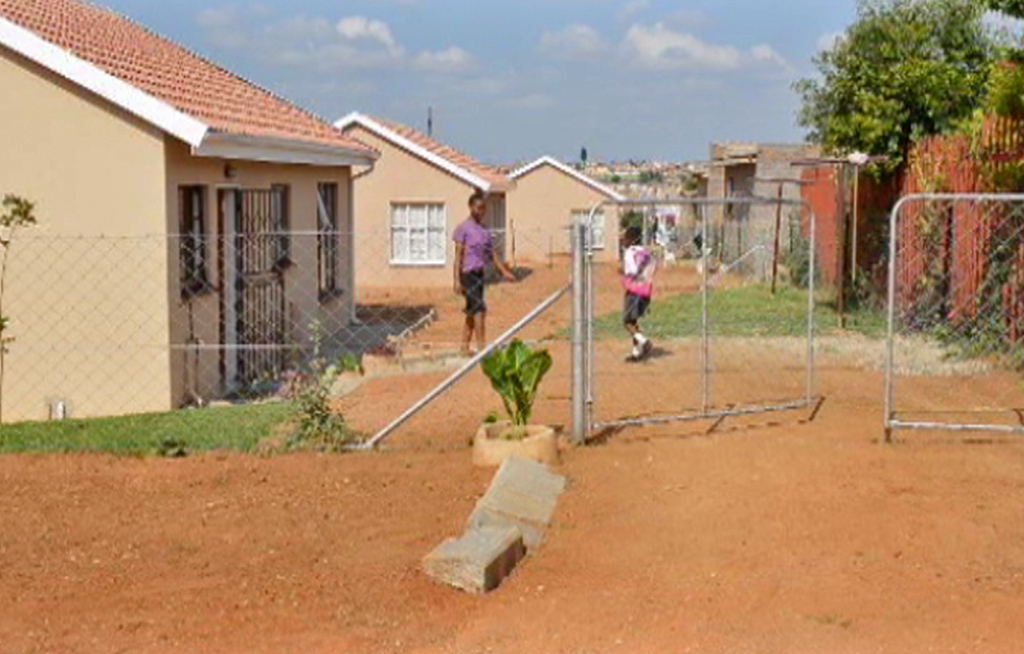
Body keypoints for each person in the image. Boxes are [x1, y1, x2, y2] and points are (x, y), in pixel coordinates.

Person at [454, 190, 516, 356]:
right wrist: (457, 280)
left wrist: (504, 271)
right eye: (478, 207)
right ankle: (482, 349)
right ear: (471, 207)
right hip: (467, 274)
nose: (481, 211)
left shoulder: (484, 231)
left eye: (483, 208)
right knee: (479, 310)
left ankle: (464, 348)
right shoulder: (463, 228)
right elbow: (458, 256)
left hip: (479, 275)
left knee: (472, 311)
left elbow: (492, 254)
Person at [621, 225, 656, 362]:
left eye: (626, 238)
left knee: (627, 322)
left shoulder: (630, 252)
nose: (623, 240)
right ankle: (636, 352)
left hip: (633, 290)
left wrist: (624, 273)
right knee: (634, 322)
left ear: (632, 239)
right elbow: (652, 269)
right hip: (646, 291)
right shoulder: (646, 253)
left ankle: (644, 342)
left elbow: (633, 270)